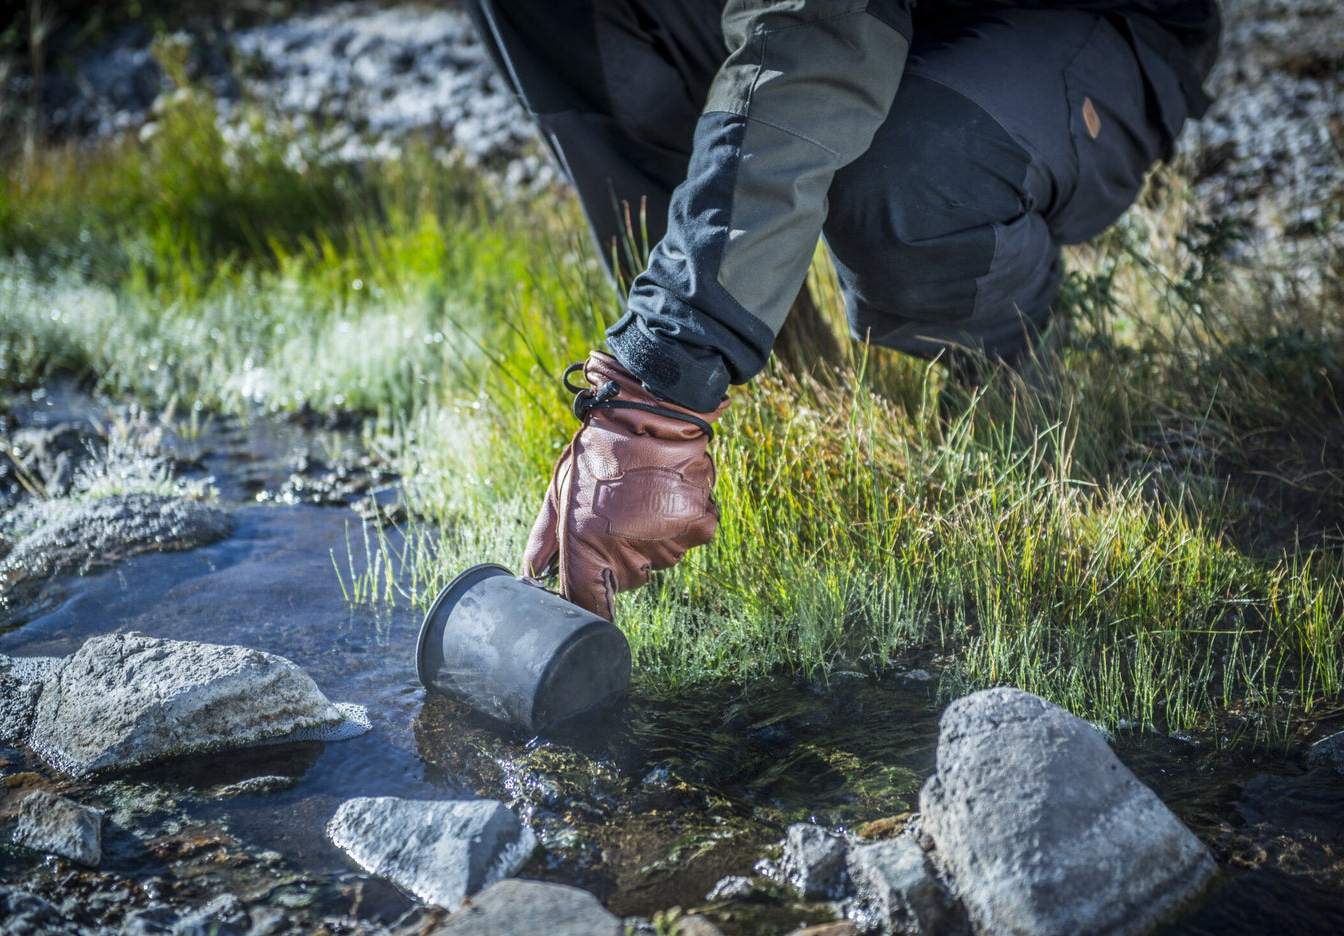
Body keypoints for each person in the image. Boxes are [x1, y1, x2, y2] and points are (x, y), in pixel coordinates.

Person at [466, 0, 1220, 621]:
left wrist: (652, 393)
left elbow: (817, 31)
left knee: (905, 177)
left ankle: (1008, 403)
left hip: (1079, 24)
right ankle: (776, 399)